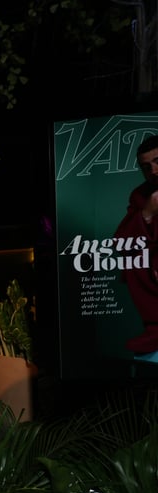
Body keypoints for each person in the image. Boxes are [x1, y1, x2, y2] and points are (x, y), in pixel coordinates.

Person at [113, 134, 158, 355]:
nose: (153, 171)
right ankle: (155, 328)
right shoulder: (140, 195)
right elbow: (121, 240)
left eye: (157, 162)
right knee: (131, 261)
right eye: (145, 167)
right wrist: (147, 213)